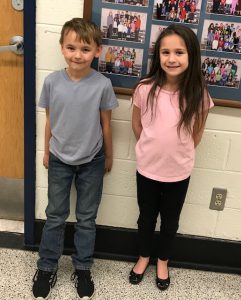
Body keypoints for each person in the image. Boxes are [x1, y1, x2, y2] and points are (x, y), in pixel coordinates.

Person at [32, 18, 118, 300]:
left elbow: (106, 123)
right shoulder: (52, 82)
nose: (77, 54)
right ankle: (46, 267)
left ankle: (82, 267)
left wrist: (108, 154)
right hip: (58, 159)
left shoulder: (102, 84)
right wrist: (46, 151)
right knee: (55, 216)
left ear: (97, 51)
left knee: (86, 219)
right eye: (71, 47)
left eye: (85, 48)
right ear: (61, 48)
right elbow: (49, 121)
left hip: (92, 160)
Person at [129, 24, 214, 291]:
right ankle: (144, 256)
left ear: (191, 56)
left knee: (171, 221)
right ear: (158, 56)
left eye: (179, 52)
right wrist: (151, 149)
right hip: (147, 169)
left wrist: (178, 153)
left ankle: (163, 260)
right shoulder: (144, 88)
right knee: (145, 218)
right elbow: (137, 126)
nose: (171, 58)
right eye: (165, 52)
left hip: (178, 172)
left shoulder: (198, 94)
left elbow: (197, 133)